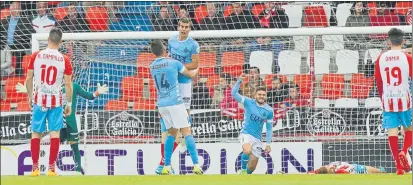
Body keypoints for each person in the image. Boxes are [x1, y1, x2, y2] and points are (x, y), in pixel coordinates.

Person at [15, 73, 109, 175]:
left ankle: (77, 170)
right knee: (53, 142)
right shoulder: (53, 87)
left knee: (74, 146)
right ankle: (49, 168)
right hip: (57, 119)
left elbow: (89, 96)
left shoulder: (74, 86)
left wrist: (97, 92)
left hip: (71, 121)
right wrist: (28, 92)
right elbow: (40, 97)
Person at [149, 40, 203, 175]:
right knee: (187, 132)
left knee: (171, 134)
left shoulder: (152, 66)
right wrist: (197, 68)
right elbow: (190, 74)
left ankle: (166, 166)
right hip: (175, 102)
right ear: (164, 49)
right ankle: (196, 164)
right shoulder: (174, 63)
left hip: (162, 105)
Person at [25, 28, 73, 176]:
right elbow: (68, 84)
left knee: (36, 133)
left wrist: (29, 95)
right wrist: (69, 103)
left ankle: (35, 169)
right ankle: (52, 169)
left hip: (39, 100)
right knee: (55, 134)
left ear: (48, 39)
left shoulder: (36, 55)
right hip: (56, 102)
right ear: (61, 41)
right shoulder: (64, 59)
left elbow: (28, 79)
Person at [374, 28, 412, 175]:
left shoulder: (380, 58)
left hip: (388, 99)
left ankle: (398, 167)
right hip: (404, 99)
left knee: (392, 132)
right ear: (403, 41)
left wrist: (382, 97)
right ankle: (404, 151)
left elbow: (378, 81)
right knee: (409, 129)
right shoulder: (407, 58)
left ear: (389, 41)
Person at [232, 73, 274, 174]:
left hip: (257, 138)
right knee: (247, 150)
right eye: (259, 94)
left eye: (263, 95)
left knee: (252, 167)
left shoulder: (269, 110)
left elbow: (269, 128)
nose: (261, 96)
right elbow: (234, 94)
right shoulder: (248, 102)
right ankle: (242, 170)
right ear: (255, 95)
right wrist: (239, 81)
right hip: (246, 133)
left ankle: (246, 175)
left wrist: (268, 144)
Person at [315, 161, 386, 174]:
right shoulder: (338, 172)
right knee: (376, 172)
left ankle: (379, 170)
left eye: (327, 166)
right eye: (330, 169)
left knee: (377, 171)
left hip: (353, 166)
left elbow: (315, 171)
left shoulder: (330, 165)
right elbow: (346, 173)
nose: (330, 167)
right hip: (357, 170)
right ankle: (380, 170)